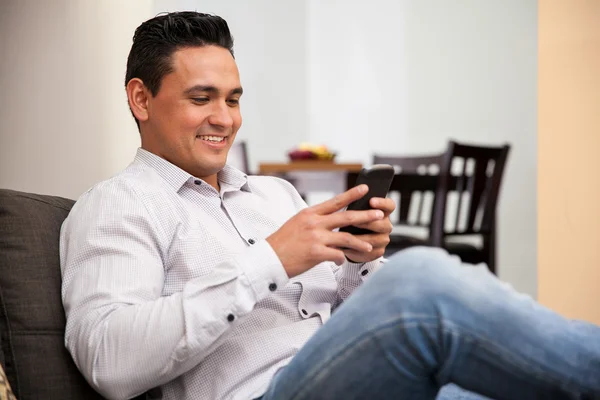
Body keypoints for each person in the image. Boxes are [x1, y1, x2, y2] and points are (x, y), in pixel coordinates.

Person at [59, 11, 600, 400]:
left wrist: (362, 262)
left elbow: (349, 310)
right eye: (202, 99)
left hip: (358, 375)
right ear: (141, 99)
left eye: (234, 98)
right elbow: (110, 362)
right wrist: (270, 260)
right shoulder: (117, 205)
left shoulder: (274, 194)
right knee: (421, 280)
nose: (225, 118)